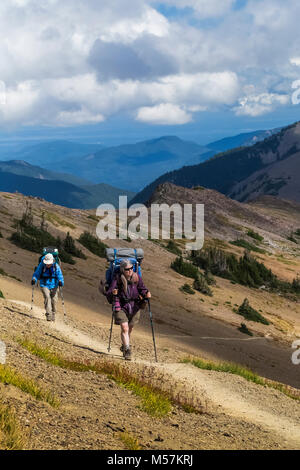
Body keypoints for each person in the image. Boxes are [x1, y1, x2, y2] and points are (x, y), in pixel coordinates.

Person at [106, 259, 151, 360]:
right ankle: (127, 350)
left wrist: (146, 293)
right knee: (125, 328)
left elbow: (142, 288)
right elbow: (109, 292)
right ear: (122, 270)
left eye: (131, 268)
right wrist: (113, 293)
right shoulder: (117, 279)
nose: (130, 270)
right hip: (120, 305)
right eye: (127, 269)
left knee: (130, 328)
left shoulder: (136, 277)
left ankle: (124, 344)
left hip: (134, 306)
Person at [31, 253, 64, 322]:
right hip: (44, 284)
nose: (48, 265)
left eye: (49, 263)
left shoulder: (56, 266)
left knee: (54, 301)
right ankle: (48, 315)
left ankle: (53, 313)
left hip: (54, 285)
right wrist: (34, 279)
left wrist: (61, 282)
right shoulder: (42, 265)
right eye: (47, 263)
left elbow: (60, 275)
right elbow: (37, 273)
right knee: (47, 298)